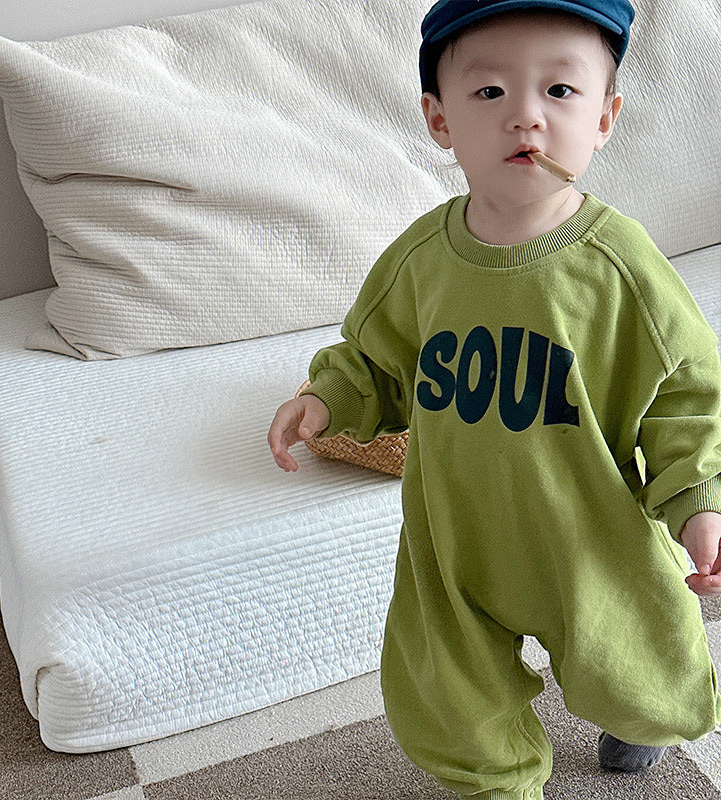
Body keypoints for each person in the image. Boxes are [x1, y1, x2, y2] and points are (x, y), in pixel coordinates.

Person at [267, 1, 721, 797]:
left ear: (605, 118)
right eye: (489, 93)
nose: (525, 117)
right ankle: (498, 783)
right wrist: (329, 399)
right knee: (449, 696)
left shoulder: (622, 266)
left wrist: (700, 501)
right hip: (454, 538)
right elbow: (378, 359)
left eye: (560, 91)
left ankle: (636, 721)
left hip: (588, 533)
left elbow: (685, 397)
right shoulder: (420, 260)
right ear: (439, 121)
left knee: (637, 665)